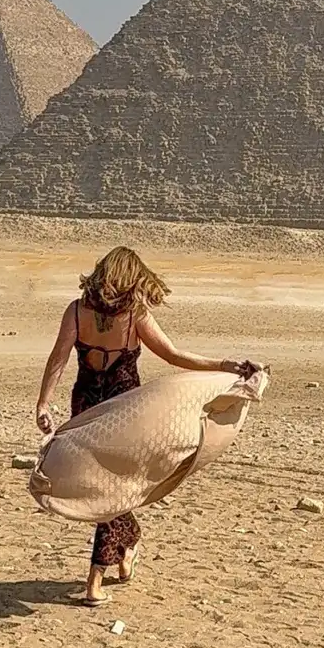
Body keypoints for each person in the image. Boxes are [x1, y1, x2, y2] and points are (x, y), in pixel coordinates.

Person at [34, 246, 250, 606]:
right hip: (124, 412)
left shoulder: (76, 311)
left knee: (108, 487)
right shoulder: (135, 314)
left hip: (86, 406)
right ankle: (95, 580)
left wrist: (44, 402)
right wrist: (226, 365)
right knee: (114, 490)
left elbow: (58, 356)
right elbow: (174, 355)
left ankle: (128, 543)